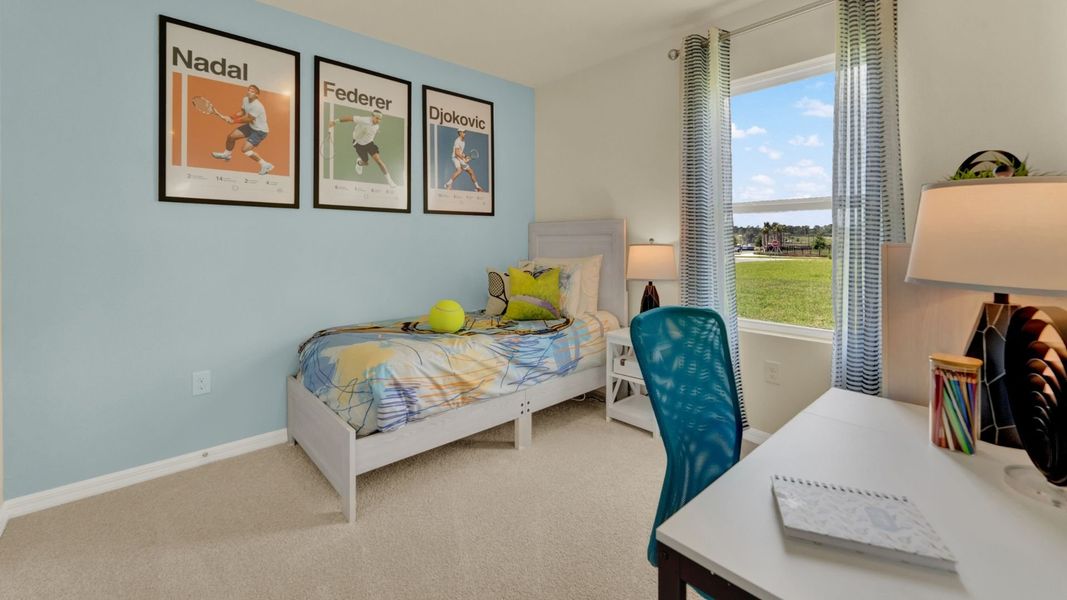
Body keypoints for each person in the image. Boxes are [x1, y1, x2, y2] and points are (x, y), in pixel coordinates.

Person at [211, 85, 273, 176]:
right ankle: (227, 154)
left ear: (257, 95)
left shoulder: (257, 106)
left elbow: (249, 119)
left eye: (252, 91)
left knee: (245, 150)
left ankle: (265, 165)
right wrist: (231, 117)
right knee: (231, 137)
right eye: (249, 90)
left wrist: (233, 121)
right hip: (251, 126)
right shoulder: (245, 99)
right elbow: (242, 112)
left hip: (260, 131)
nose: (249, 92)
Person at [329, 110, 398, 187]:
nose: (378, 120)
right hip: (359, 144)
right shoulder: (363, 120)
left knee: (379, 161)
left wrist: (376, 131)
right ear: (372, 116)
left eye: (379, 119)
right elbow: (350, 118)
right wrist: (335, 122)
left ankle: (389, 180)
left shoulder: (376, 125)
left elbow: (372, 129)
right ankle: (359, 162)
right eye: (376, 118)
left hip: (369, 144)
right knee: (365, 162)